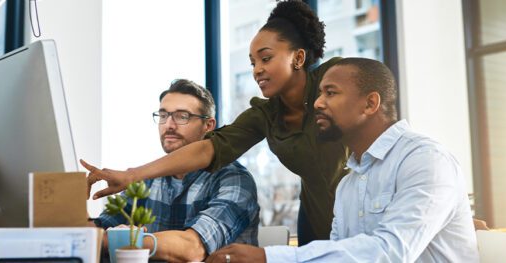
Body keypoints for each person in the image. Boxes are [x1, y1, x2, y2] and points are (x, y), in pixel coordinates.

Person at [80, 0, 347, 246]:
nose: (256, 70)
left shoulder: (335, 81)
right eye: (253, 62)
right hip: (317, 218)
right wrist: (129, 176)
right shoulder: (264, 114)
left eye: (265, 59)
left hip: (362, 211)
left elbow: (191, 249)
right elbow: (211, 149)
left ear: (298, 58)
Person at [205, 58, 480, 262]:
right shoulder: (348, 185)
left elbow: (391, 251)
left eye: (331, 93)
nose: (317, 103)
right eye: (319, 93)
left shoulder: (425, 161)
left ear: (370, 104)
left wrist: (269, 258)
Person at [87, 79, 260, 262]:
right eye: (163, 116)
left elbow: (192, 249)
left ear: (208, 126)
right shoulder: (149, 179)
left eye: (182, 116)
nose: (169, 125)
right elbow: (100, 227)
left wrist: (115, 240)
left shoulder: (234, 179)